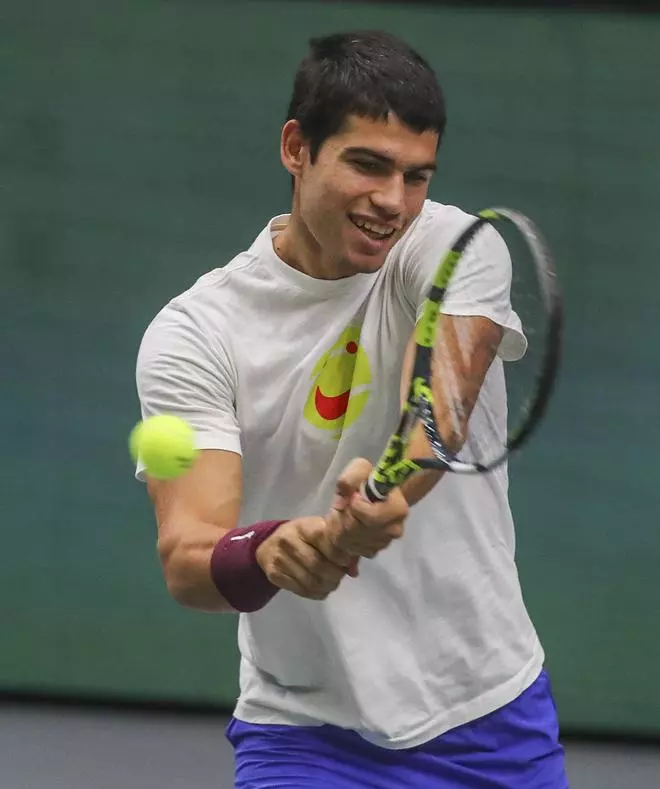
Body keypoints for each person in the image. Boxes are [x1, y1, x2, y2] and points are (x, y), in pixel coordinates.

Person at [135, 30, 568, 789]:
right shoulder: (196, 333)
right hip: (303, 733)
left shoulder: (458, 245)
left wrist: (381, 494)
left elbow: (438, 413)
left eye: (416, 176)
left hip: (489, 713)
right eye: (367, 165)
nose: (392, 202)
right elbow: (186, 559)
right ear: (296, 148)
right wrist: (269, 550)